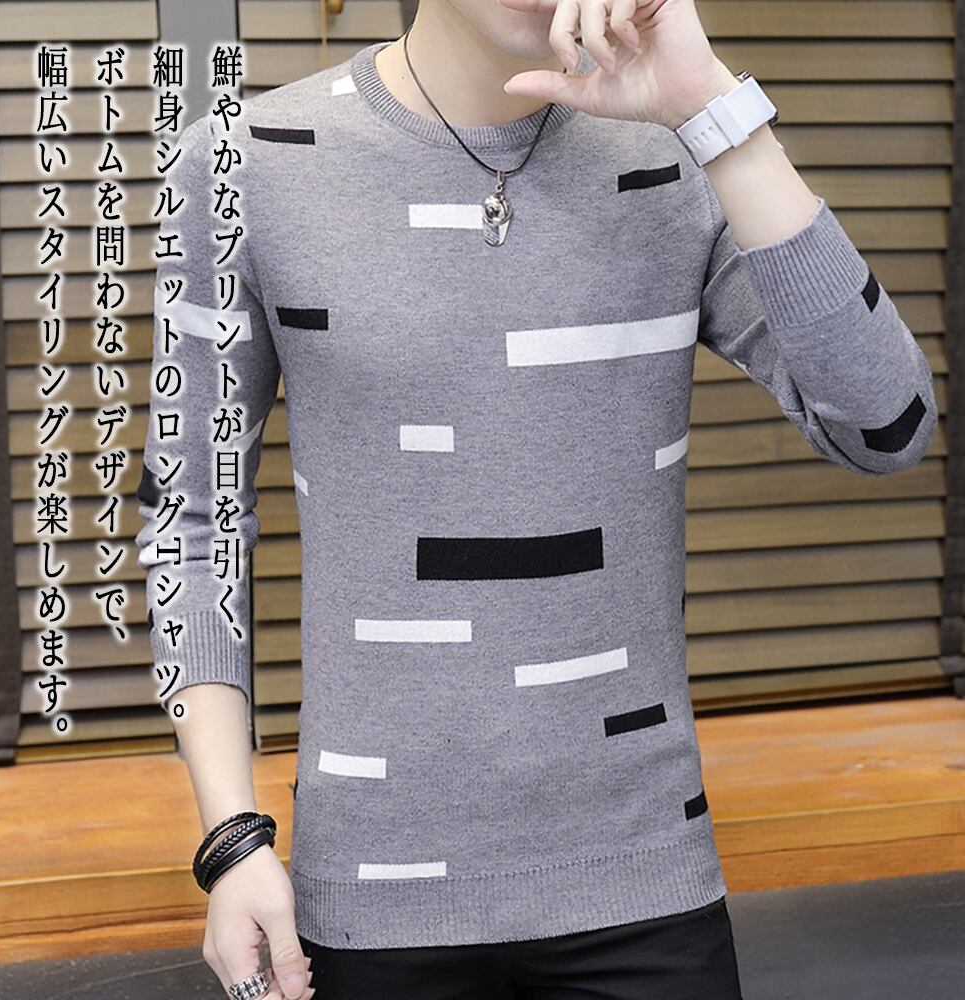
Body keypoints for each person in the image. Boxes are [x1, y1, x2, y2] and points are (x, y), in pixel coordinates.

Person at [135, 0, 938, 998]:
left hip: (642, 881)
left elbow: (886, 425)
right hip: (374, 893)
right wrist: (230, 837)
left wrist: (714, 109)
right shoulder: (246, 164)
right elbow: (193, 521)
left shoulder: (678, 155)